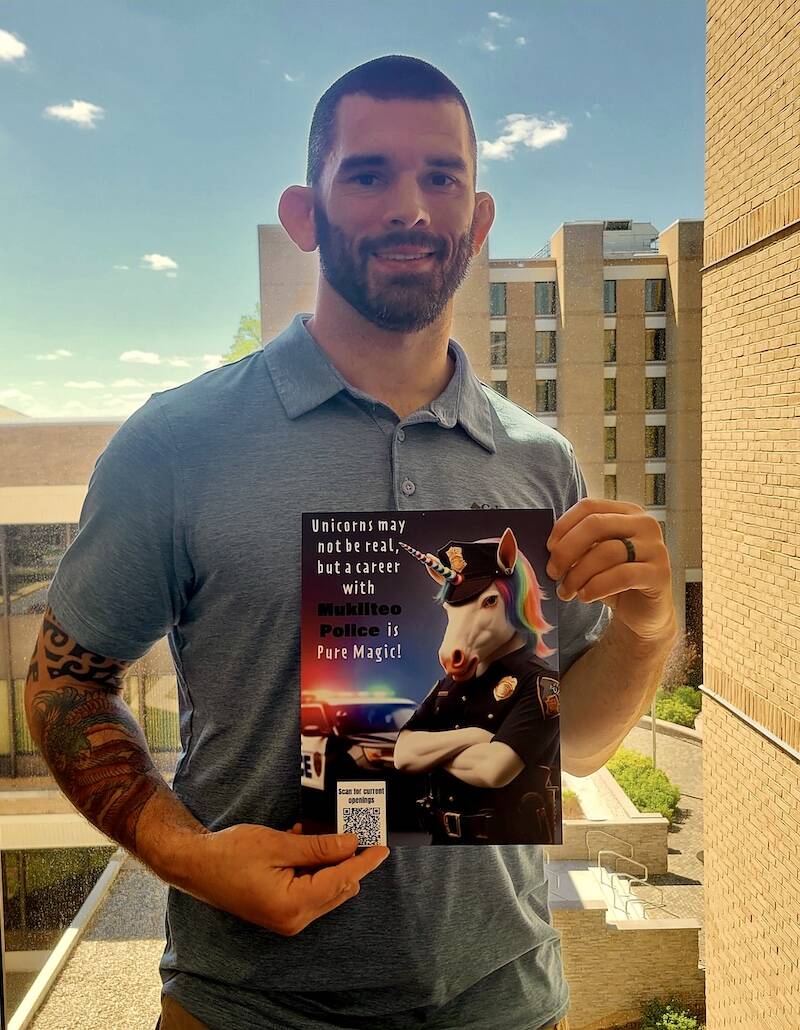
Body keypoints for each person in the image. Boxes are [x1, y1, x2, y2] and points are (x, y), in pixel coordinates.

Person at [25, 54, 678, 1030]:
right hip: (246, 1002)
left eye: (440, 177)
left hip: (501, 1002)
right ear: (304, 211)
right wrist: (189, 858)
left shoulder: (540, 465)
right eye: (367, 173)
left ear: (478, 216)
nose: (408, 206)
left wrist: (644, 627)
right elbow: (64, 682)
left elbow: (572, 746)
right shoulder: (176, 442)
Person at [395, 533, 562, 845]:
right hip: (440, 839)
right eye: (452, 608)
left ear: (514, 604)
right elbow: (403, 754)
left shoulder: (540, 683)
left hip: (506, 842)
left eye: (488, 602)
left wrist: (429, 753)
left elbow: (493, 770)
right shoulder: (449, 686)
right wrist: (473, 738)